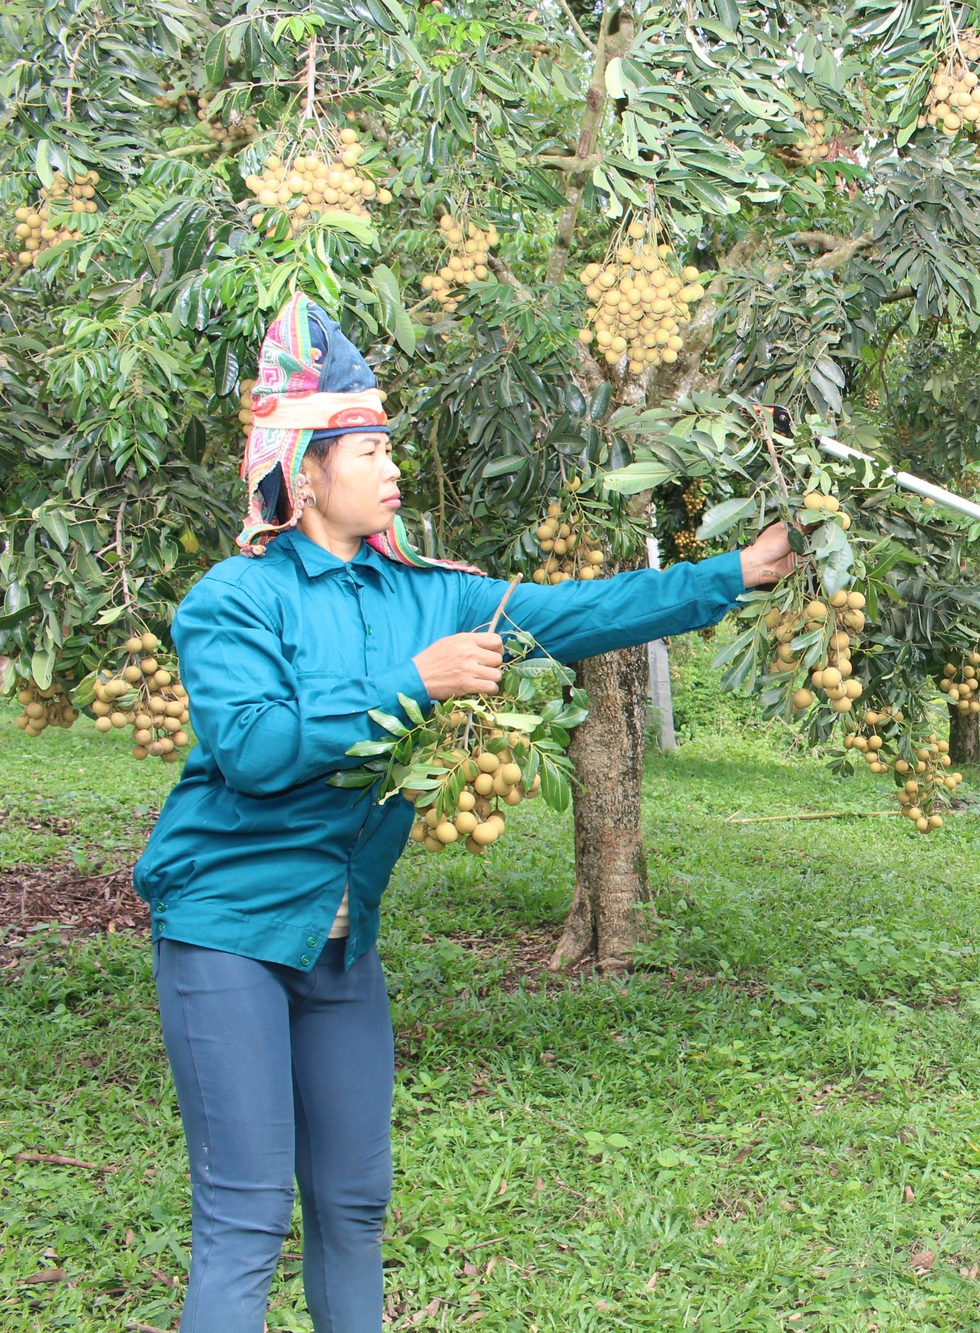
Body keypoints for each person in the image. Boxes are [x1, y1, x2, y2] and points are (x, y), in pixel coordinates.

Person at [133, 294, 797, 1333]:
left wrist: (740, 571)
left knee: (353, 1199)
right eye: (367, 450)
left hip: (340, 943)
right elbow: (256, 753)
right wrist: (415, 684)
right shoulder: (234, 598)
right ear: (305, 471)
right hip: (226, 929)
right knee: (247, 1211)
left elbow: (578, 614)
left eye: (390, 448)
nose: (391, 468)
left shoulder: (426, 593)